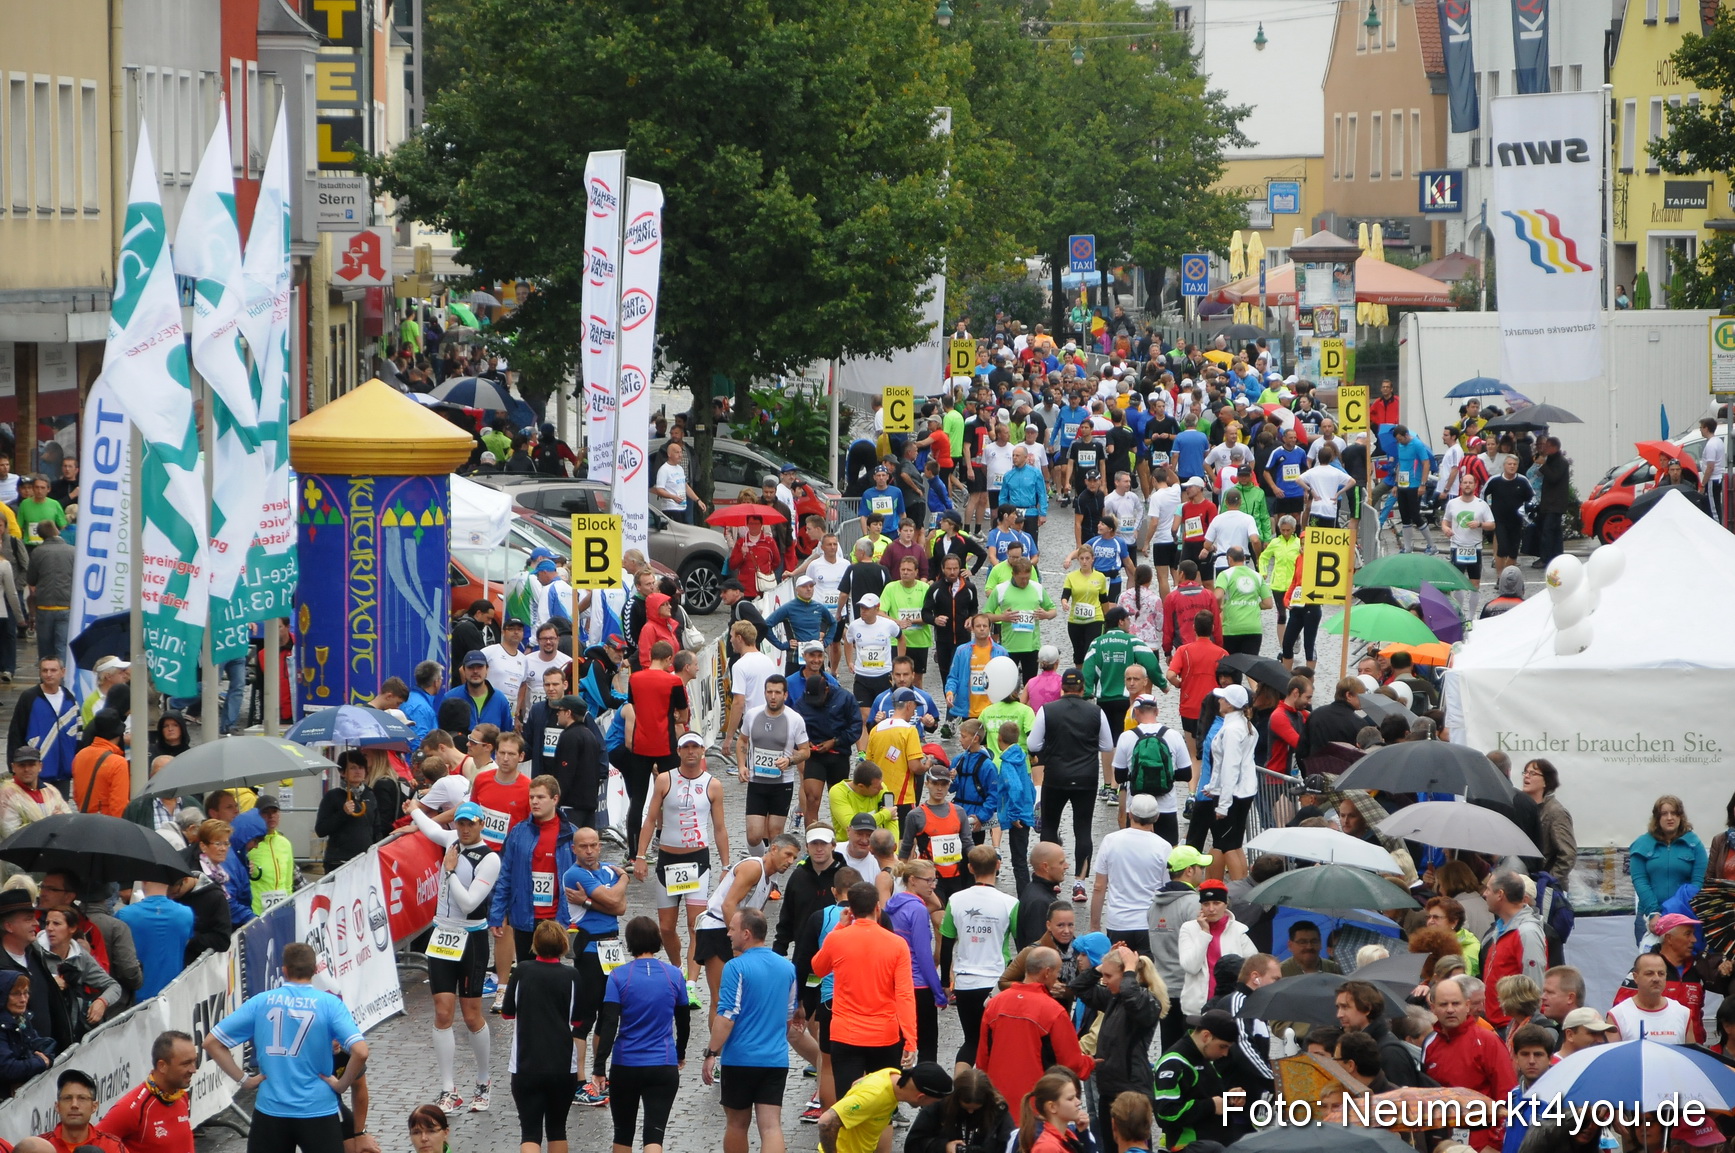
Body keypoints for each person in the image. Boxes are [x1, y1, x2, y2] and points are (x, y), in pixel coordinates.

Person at [205, 942, 369, 1153]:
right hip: (318, 1109)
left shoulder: (261, 1002)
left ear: (284, 970)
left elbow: (212, 1042)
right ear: (314, 971)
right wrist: (341, 1085)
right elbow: (361, 1051)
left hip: (271, 1110)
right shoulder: (330, 1004)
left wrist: (244, 1080)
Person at [409, 801, 498, 1113]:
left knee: (472, 1016)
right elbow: (433, 829)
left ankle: (484, 1081)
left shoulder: (489, 859)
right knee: (442, 1013)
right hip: (442, 936)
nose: (464, 829)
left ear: (481, 824)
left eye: (470, 823)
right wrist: (414, 809)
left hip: (471, 938)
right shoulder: (451, 842)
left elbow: (471, 902)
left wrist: (448, 872)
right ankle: (449, 1088)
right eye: (460, 823)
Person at [705, 908, 812, 1153]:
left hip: (741, 1059)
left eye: (732, 929)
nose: (728, 934)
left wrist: (712, 1052)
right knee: (771, 1127)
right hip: (775, 1059)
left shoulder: (735, 967)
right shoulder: (787, 968)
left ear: (746, 933)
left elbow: (727, 1017)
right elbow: (788, 1016)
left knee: (737, 1125)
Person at [811, 881, 917, 1094]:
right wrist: (910, 1040)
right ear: (877, 907)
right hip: (884, 1035)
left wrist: (840, 927)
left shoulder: (837, 938)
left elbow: (818, 968)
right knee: (883, 1107)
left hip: (846, 1034)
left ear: (850, 909)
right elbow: (905, 994)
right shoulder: (897, 944)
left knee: (848, 1103)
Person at [693, 835, 803, 1021]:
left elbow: (754, 915)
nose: (790, 861)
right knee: (721, 998)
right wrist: (736, 943)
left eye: (794, 857)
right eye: (788, 854)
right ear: (773, 849)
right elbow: (728, 905)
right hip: (718, 928)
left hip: (739, 934)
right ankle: (716, 1049)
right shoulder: (754, 867)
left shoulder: (770, 880)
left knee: (741, 996)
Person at [1072, 943, 1167, 1153]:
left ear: (1127, 977)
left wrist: (1130, 969)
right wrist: (1102, 966)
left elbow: (1132, 998)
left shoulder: (1147, 1001)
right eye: (1102, 976)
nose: (1104, 982)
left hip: (1132, 1089)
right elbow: (1079, 987)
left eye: (1108, 976)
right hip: (1109, 1088)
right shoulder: (1114, 998)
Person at [1029, 669, 1114, 902]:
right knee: (1083, 829)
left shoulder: (1048, 710)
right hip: (1086, 778)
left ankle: (1050, 879)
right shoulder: (1096, 711)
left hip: (1056, 777)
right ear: (1083, 687)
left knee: (1049, 827)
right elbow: (1107, 745)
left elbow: (1033, 743)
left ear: (1062, 688)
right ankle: (1079, 883)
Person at [978, 946, 1094, 1111]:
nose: (1058, 977)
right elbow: (1071, 1062)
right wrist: (1089, 1063)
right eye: (1057, 972)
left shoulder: (995, 1004)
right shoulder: (1053, 1011)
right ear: (1047, 972)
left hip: (997, 1101)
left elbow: (983, 1057)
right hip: (1036, 1103)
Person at [503, 920, 583, 1153]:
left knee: (529, 1131)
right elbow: (578, 1021)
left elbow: (508, 1013)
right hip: (562, 1066)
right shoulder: (572, 975)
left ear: (535, 944)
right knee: (558, 1129)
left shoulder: (522, 971)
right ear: (563, 944)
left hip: (525, 1065)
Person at [1420, 975, 1514, 1149]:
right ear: (1433, 1008)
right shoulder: (1430, 1043)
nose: (1450, 1010)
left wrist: (1494, 1145)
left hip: (1482, 1141)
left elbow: (1508, 1096)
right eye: (1443, 1004)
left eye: (1456, 1003)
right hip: (1442, 1140)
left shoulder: (1488, 1041)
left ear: (1467, 1006)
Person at [734, 674, 809, 856]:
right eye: (769, 692)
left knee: (776, 834)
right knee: (753, 836)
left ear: (785, 695)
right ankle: (762, 865)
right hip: (757, 782)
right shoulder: (752, 715)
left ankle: (770, 876)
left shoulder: (795, 719)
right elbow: (742, 740)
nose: (773, 696)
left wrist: (790, 760)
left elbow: (806, 751)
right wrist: (742, 766)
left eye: (777, 692)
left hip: (781, 784)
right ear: (765, 693)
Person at [817, 1062, 954, 1153]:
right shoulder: (874, 1095)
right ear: (921, 1097)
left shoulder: (892, 1075)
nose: (929, 1106)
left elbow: (857, 1083)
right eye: (932, 1102)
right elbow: (826, 1122)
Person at [101, 1029, 198, 1153]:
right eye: (186, 1064)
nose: (193, 1069)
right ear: (162, 1066)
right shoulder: (131, 1108)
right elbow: (93, 1145)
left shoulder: (180, 1095)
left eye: (194, 1061)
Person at [1152, 1009, 1237, 1149]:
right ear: (1206, 1036)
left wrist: (1229, 1098)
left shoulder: (1204, 1056)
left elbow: (1204, 1094)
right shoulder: (1173, 1063)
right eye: (1222, 1046)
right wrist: (1211, 1105)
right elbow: (1166, 1113)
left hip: (1213, 1144)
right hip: (1190, 1147)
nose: (1225, 1053)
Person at [1629, 794, 1706, 943]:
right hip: (1649, 916)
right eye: (1664, 814)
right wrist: (1654, 912)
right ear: (1657, 818)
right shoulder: (1641, 844)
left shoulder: (1694, 844)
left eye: (1674, 813)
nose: (1670, 818)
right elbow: (1640, 881)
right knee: (1650, 964)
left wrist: (1677, 909)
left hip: (1684, 914)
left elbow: (1698, 882)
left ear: (1681, 817)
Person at [7, 658, 79, 800]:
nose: (48, 674)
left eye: (53, 670)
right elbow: (16, 732)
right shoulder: (29, 697)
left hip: (63, 771)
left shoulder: (70, 698)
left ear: (62, 672)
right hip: (36, 772)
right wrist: (14, 767)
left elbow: (78, 732)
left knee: (60, 814)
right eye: (44, 670)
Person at [905, 1068, 1014, 1153]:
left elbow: (1011, 1144)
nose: (970, 1112)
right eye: (966, 1108)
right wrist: (943, 1147)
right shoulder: (939, 1106)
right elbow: (913, 1143)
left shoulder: (998, 1110)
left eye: (976, 1109)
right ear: (956, 1099)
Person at [1610, 951, 1692, 1045]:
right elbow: (1613, 1057)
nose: (1656, 979)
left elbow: (1691, 1056)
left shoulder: (1683, 1013)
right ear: (1635, 977)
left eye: (1661, 974)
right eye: (1649, 973)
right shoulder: (1618, 1015)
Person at [316, 755, 377, 872]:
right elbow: (321, 830)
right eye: (353, 768)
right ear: (343, 772)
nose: (358, 771)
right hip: (339, 862)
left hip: (365, 861)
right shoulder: (332, 796)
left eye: (361, 767)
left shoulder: (370, 794)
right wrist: (342, 813)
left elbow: (376, 827)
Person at [0, 743, 69, 838]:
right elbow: (11, 833)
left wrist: (62, 818)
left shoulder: (51, 791)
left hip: (50, 849)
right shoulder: (6, 794)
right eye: (21, 765)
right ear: (13, 767)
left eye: (31, 765)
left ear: (40, 766)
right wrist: (53, 823)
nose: (27, 769)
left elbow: (69, 820)